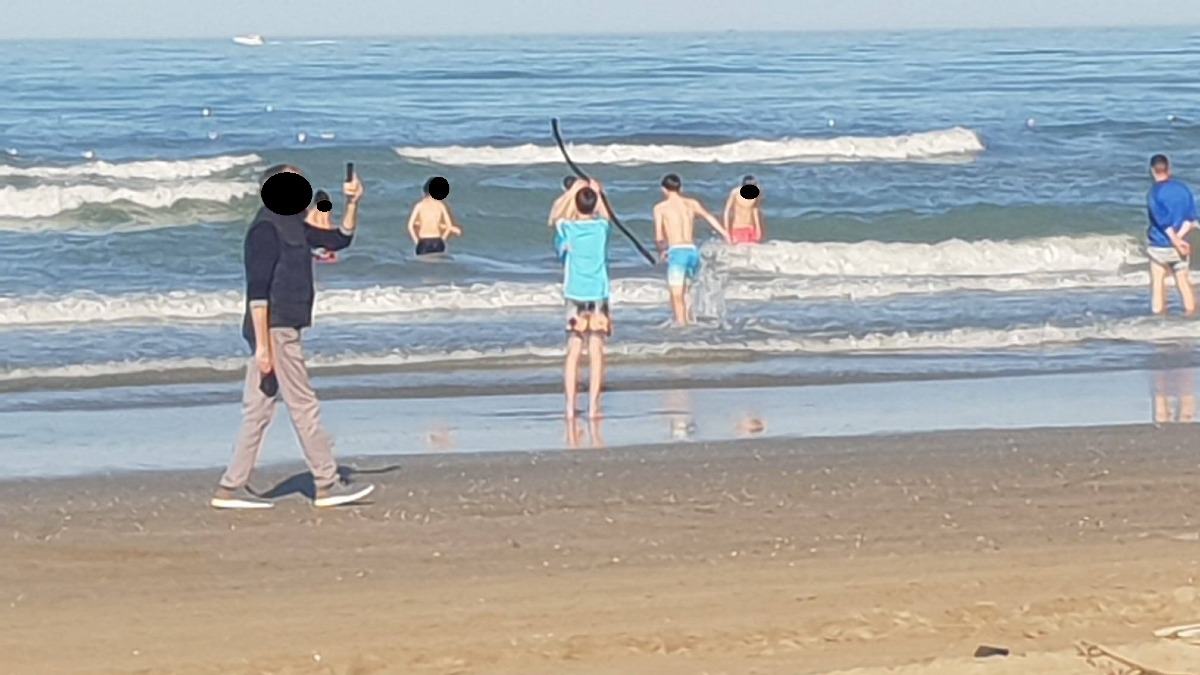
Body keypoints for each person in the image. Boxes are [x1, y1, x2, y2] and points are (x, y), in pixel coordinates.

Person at [211, 164, 375, 510]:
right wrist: (264, 348)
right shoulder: (265, 229)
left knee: (258, 410)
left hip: (282, 328)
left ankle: (230, 488)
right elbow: (257, 291)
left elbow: (338, 239)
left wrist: (353, 203)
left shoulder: (295, 225)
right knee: (303, 405)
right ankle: (326, 483)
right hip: (275, 328)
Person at [554, 182, 612, 420]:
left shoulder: (567, 227)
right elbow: (606, 214)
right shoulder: (601, 227)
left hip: (575, 294)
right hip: (598, 294)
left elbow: (556, 214)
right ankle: (593, 407)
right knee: (596, 352)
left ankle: (570, 408)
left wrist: (571, 192)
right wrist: (597, 192)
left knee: (574, 351)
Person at [653, 173, 731, 325]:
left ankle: (681, 327)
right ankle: (689, 323)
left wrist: (662, 250)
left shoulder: (660, 208)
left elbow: (659, 236)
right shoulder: (692, 204)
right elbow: (709, 217)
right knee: (686, 293)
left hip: (677, 252)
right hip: (692, 252)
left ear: (664, 189)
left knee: (677, 295)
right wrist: (724, 233)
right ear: (680, 188)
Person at [1146, 154, 1198, 316]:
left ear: (1152, 170)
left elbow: (1162, 221)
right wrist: (1180, 238)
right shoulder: (1183, 189)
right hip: (1181, 245)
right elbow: (1191, 218)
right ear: (1169, 169)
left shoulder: (1154, 193)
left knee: (1158, 284)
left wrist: (1175, 240)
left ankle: (1158, 319)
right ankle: (1191, 316)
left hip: (1160, 244)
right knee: (1183, 282)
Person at [407, 178, 462, 256]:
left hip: (424, 241)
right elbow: (449, 227)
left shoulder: (419, 205)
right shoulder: (441, 205)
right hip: (438, 241)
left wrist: (417, 241)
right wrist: (442, 239)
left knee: (423, 263)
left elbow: (410, 226)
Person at [723, 175, 765, 245]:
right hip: (738, 228)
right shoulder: (735, 193)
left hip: (751, 228)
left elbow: (755, 211)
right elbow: (727, 212)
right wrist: (727, 232)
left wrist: (758, 229)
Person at [306, 189, 338, 263]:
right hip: (324, 245)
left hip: (313, 244)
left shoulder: (311, 212)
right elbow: (327, 228)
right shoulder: (326, 212)